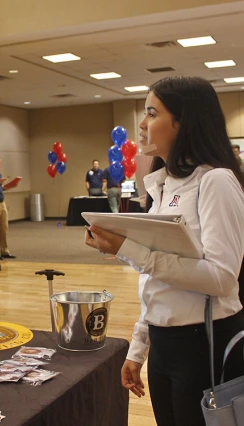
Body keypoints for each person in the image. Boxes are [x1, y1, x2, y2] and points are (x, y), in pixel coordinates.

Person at [85, 76, 244, 426]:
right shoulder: (162, 185)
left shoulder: (215, 181)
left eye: (152, 113)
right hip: (164, 343)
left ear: (183, 122)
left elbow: (221, 278)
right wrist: (138, 348)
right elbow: (158, 284)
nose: (142, 124)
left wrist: (129, 248)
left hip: (205, 342)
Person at [0, 157, 18, 259]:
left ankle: (4, 250)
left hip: (2, 202)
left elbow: (0, 188)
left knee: (4, 227)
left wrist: (10, 186)